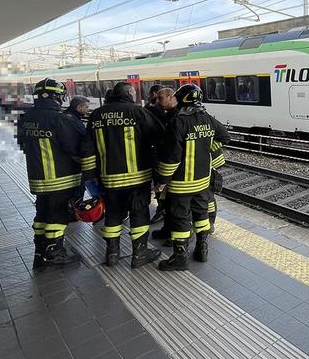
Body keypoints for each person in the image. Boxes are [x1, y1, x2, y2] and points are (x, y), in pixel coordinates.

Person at [81, 82, 164, 269]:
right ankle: (140, 253)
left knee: (112, 214)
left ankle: (111, 254)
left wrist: (90, 174)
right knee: (139, 213)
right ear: (128, 93)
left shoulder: (96, 115)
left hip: (109, 178)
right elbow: (158, 136)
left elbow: (87, 148)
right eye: (134, 92)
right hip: (138, 177)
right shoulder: (137, 112)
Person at [156, 83, 230, 271]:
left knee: (180, 218)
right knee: (201, 215)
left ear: (181, 100)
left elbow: (172, 157)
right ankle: (202, 249)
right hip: (203, 181)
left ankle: (180, 258)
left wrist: (163, 180)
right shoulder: (207, 118)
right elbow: (225, 137)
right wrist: (205, 143)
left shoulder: (177, 121)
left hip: (182, 184)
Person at [17, 78, 86, 268]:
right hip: (60, 178)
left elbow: (22, 145)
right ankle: (55, 253)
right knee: (58, 215)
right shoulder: (61, 120)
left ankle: (40, 251)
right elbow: (78, 148)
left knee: (42, 214)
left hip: (37, 178)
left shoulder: (26, 118)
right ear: (58, 97)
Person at [147, 88, 177, 226]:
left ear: (170, 97)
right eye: (157, 98)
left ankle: (165, 215)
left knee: (167, 192)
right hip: (159, 157)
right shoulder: (162, 111)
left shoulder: (174, 115)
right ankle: (164, 215)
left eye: (160, 98)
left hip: (167, 161)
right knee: (162, 190)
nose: (158, 101)